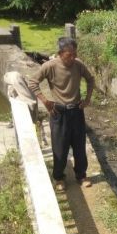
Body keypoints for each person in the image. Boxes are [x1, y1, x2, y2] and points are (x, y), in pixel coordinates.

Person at [28, 37, 95, 191]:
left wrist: (87, 99)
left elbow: (90, 80)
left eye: (74, 54)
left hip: (77, 111)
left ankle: (81, 175)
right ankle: (59, 177)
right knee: (60, 147)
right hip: (58, 112)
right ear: (60, 53)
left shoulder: (78, 65)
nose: (73, 57)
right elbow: (33, 82)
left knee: (79, 145)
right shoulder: (49, 66)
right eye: (69, 54)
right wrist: (45, 100)